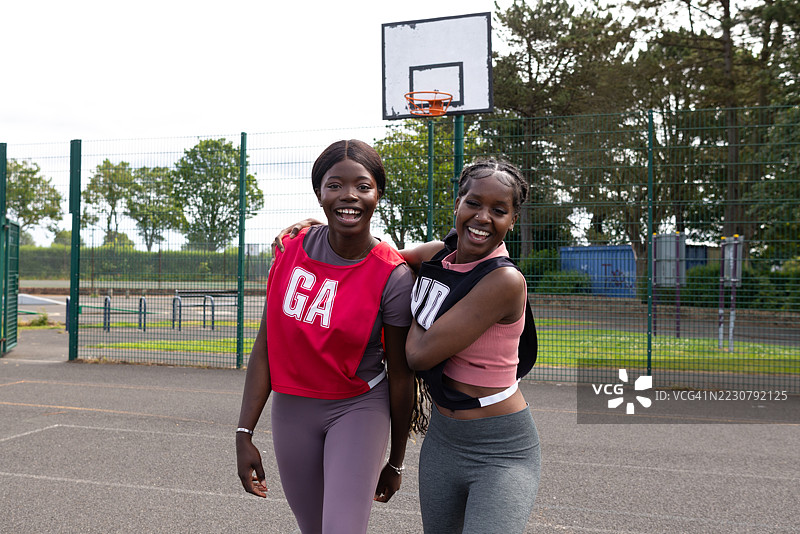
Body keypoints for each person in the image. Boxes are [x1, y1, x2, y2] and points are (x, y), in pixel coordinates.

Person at [276, 158, 541, 534]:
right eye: (473, 203)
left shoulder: (504, 281)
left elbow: (417, 354)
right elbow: (379, 261)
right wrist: (325, 230)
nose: (483, 217)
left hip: (500, 447)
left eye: (499, 210)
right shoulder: (439, 255)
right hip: (444, 440)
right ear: (457, 204)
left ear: (512, 220)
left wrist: (415, 300)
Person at [236, 139, 416, 534]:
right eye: (335, 185)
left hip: (358, 407)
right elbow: (266, 346)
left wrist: (396, 461)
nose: (348, 195)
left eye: (363, 186)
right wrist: (243, 433)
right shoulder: (289, 251)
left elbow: (402, 376)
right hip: (293, 409)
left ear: (378, 194)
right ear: (319, 193)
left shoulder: (393, 276)